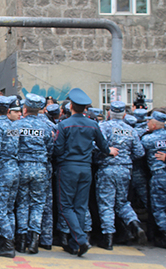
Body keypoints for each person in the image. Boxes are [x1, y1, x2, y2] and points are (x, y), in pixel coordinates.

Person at [53, 88, 118, 257]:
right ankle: (76, 244)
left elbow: (58, 149)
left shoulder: (64, 124)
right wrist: (110, 150)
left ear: (71, 106)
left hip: (68, 168)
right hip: (85, 167)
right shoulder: (93, 124)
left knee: (66, 206)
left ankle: (81, 240)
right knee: (80, 206)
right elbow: (103, 146)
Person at [95, 101, 146, 250]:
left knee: (106, 204)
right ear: (124, 114)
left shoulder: (103, 127)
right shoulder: (131, 130)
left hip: (108, 168)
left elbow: (95, 145)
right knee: (122, 202)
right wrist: (125, 157)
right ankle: (135, 225)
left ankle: (108, 238)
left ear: (110, 113)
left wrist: (107, 152)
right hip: (125, 170)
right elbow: (139, 152)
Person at [12, 93, 53, 254]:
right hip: (40, 168)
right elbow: (51, 148)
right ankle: (34, 240)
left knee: (22, 202)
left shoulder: (17, 125)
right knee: (38, 203)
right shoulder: (47, 126)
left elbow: (12, 145)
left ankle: (21, 241)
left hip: (22, 166)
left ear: (25, 108)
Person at [0, 96, 20, 258]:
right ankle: (8, 239)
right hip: (14, 169)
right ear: (8, 110)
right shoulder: (14, 126)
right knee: (8, 209)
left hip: (2, 170)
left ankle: (7, 243)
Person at [141, 111, 166, 247]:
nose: (147, 124)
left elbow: (137, 152)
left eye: (149, 122)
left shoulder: (148, 140)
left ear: (154, 125)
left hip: (159, 176)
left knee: (159, 209)